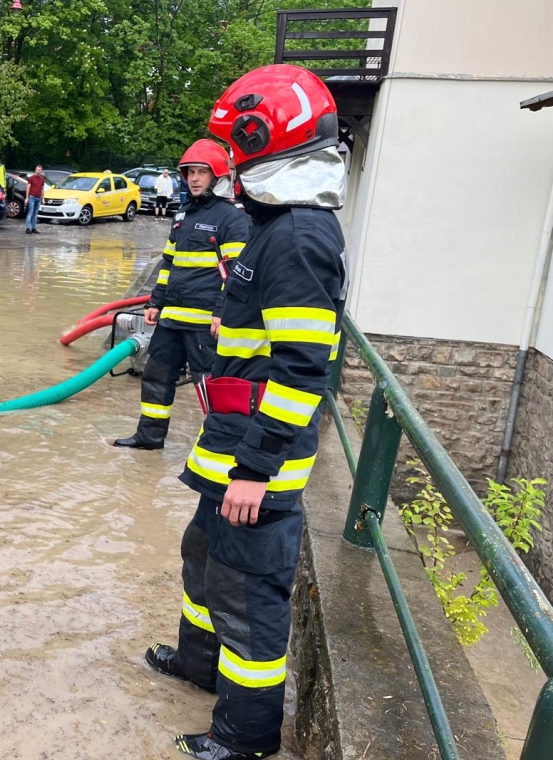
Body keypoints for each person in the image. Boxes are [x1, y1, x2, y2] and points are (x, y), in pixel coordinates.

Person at [145, 64, 348, 760]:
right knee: (205, 560)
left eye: (237, 147)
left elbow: (302, 370)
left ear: (264, 140)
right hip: (228, 440)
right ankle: (198, 664)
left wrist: (257, 469)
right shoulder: (275, 224)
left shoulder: (295, 237)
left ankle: (245, 737)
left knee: (247, 595)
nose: (229, 162)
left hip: (255, 457)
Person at [113, 139, 249, 451]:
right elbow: (168, 262)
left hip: (205, 322)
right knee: (156, 377)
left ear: (216, 177)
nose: (195, 178)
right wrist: (155, 302)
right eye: (190, 173)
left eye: (202, 172)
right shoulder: (183, 214)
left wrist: (221, 313)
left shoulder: (232, 218)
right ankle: (150, 437)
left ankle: (220, 445)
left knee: (210, 385)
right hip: (172, 318)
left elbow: (234, 273)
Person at [24, 165, 46, 234]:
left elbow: (42, 189)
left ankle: (34, 228)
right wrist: (27, 198)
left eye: (39, 170)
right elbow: (28, 188)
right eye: (37, 170)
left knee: (35, 213)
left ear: (41, 171)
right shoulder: (31, 178)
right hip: (32, 197)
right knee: (30, 212)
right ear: (35, 170)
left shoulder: (42, 179)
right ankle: (28, 228)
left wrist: (43, 198)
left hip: (38, 197)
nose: (38, 171)